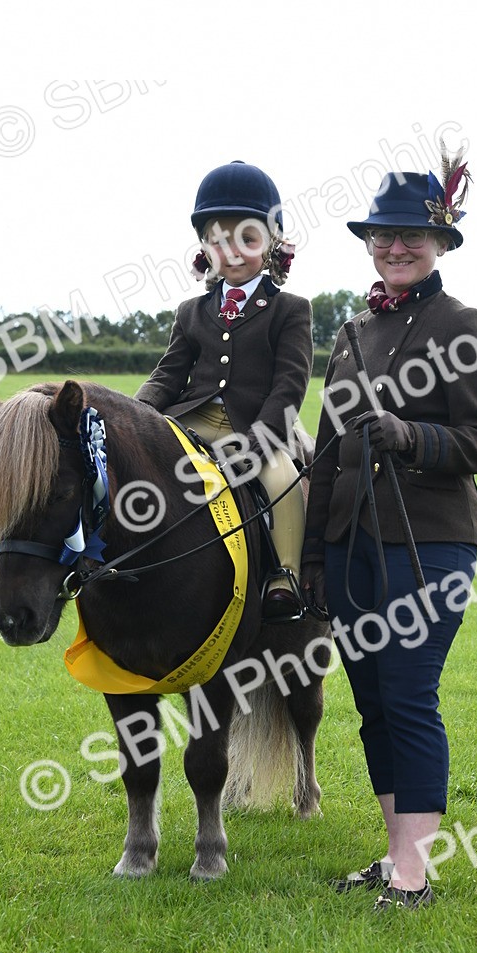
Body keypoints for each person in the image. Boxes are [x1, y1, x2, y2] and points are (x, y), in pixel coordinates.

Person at [301, 150, 477, 911]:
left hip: (431, 544)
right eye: (383, 235)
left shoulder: (464, 327)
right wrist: (314, 555)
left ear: (442, 242)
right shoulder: (351, 332)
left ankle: (415, 874)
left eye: (412, 236)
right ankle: (393, 857)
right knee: (374, 701)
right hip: (352, 545)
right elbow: (324, 454)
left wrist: (410, 435)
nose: (395, 246)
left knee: (411, 694)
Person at [136, 160, 313, 620]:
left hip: (259, 424)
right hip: (191, 419)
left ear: (271, 244)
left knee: (282, 481)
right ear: (204, 247)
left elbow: (289, 388)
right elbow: (169, 375)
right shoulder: (190, 311)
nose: (232, 252)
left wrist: (257, 442)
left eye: (247, 240)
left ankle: (285, 576)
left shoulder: (291, 310)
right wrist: (133, 414)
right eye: (218, 240)